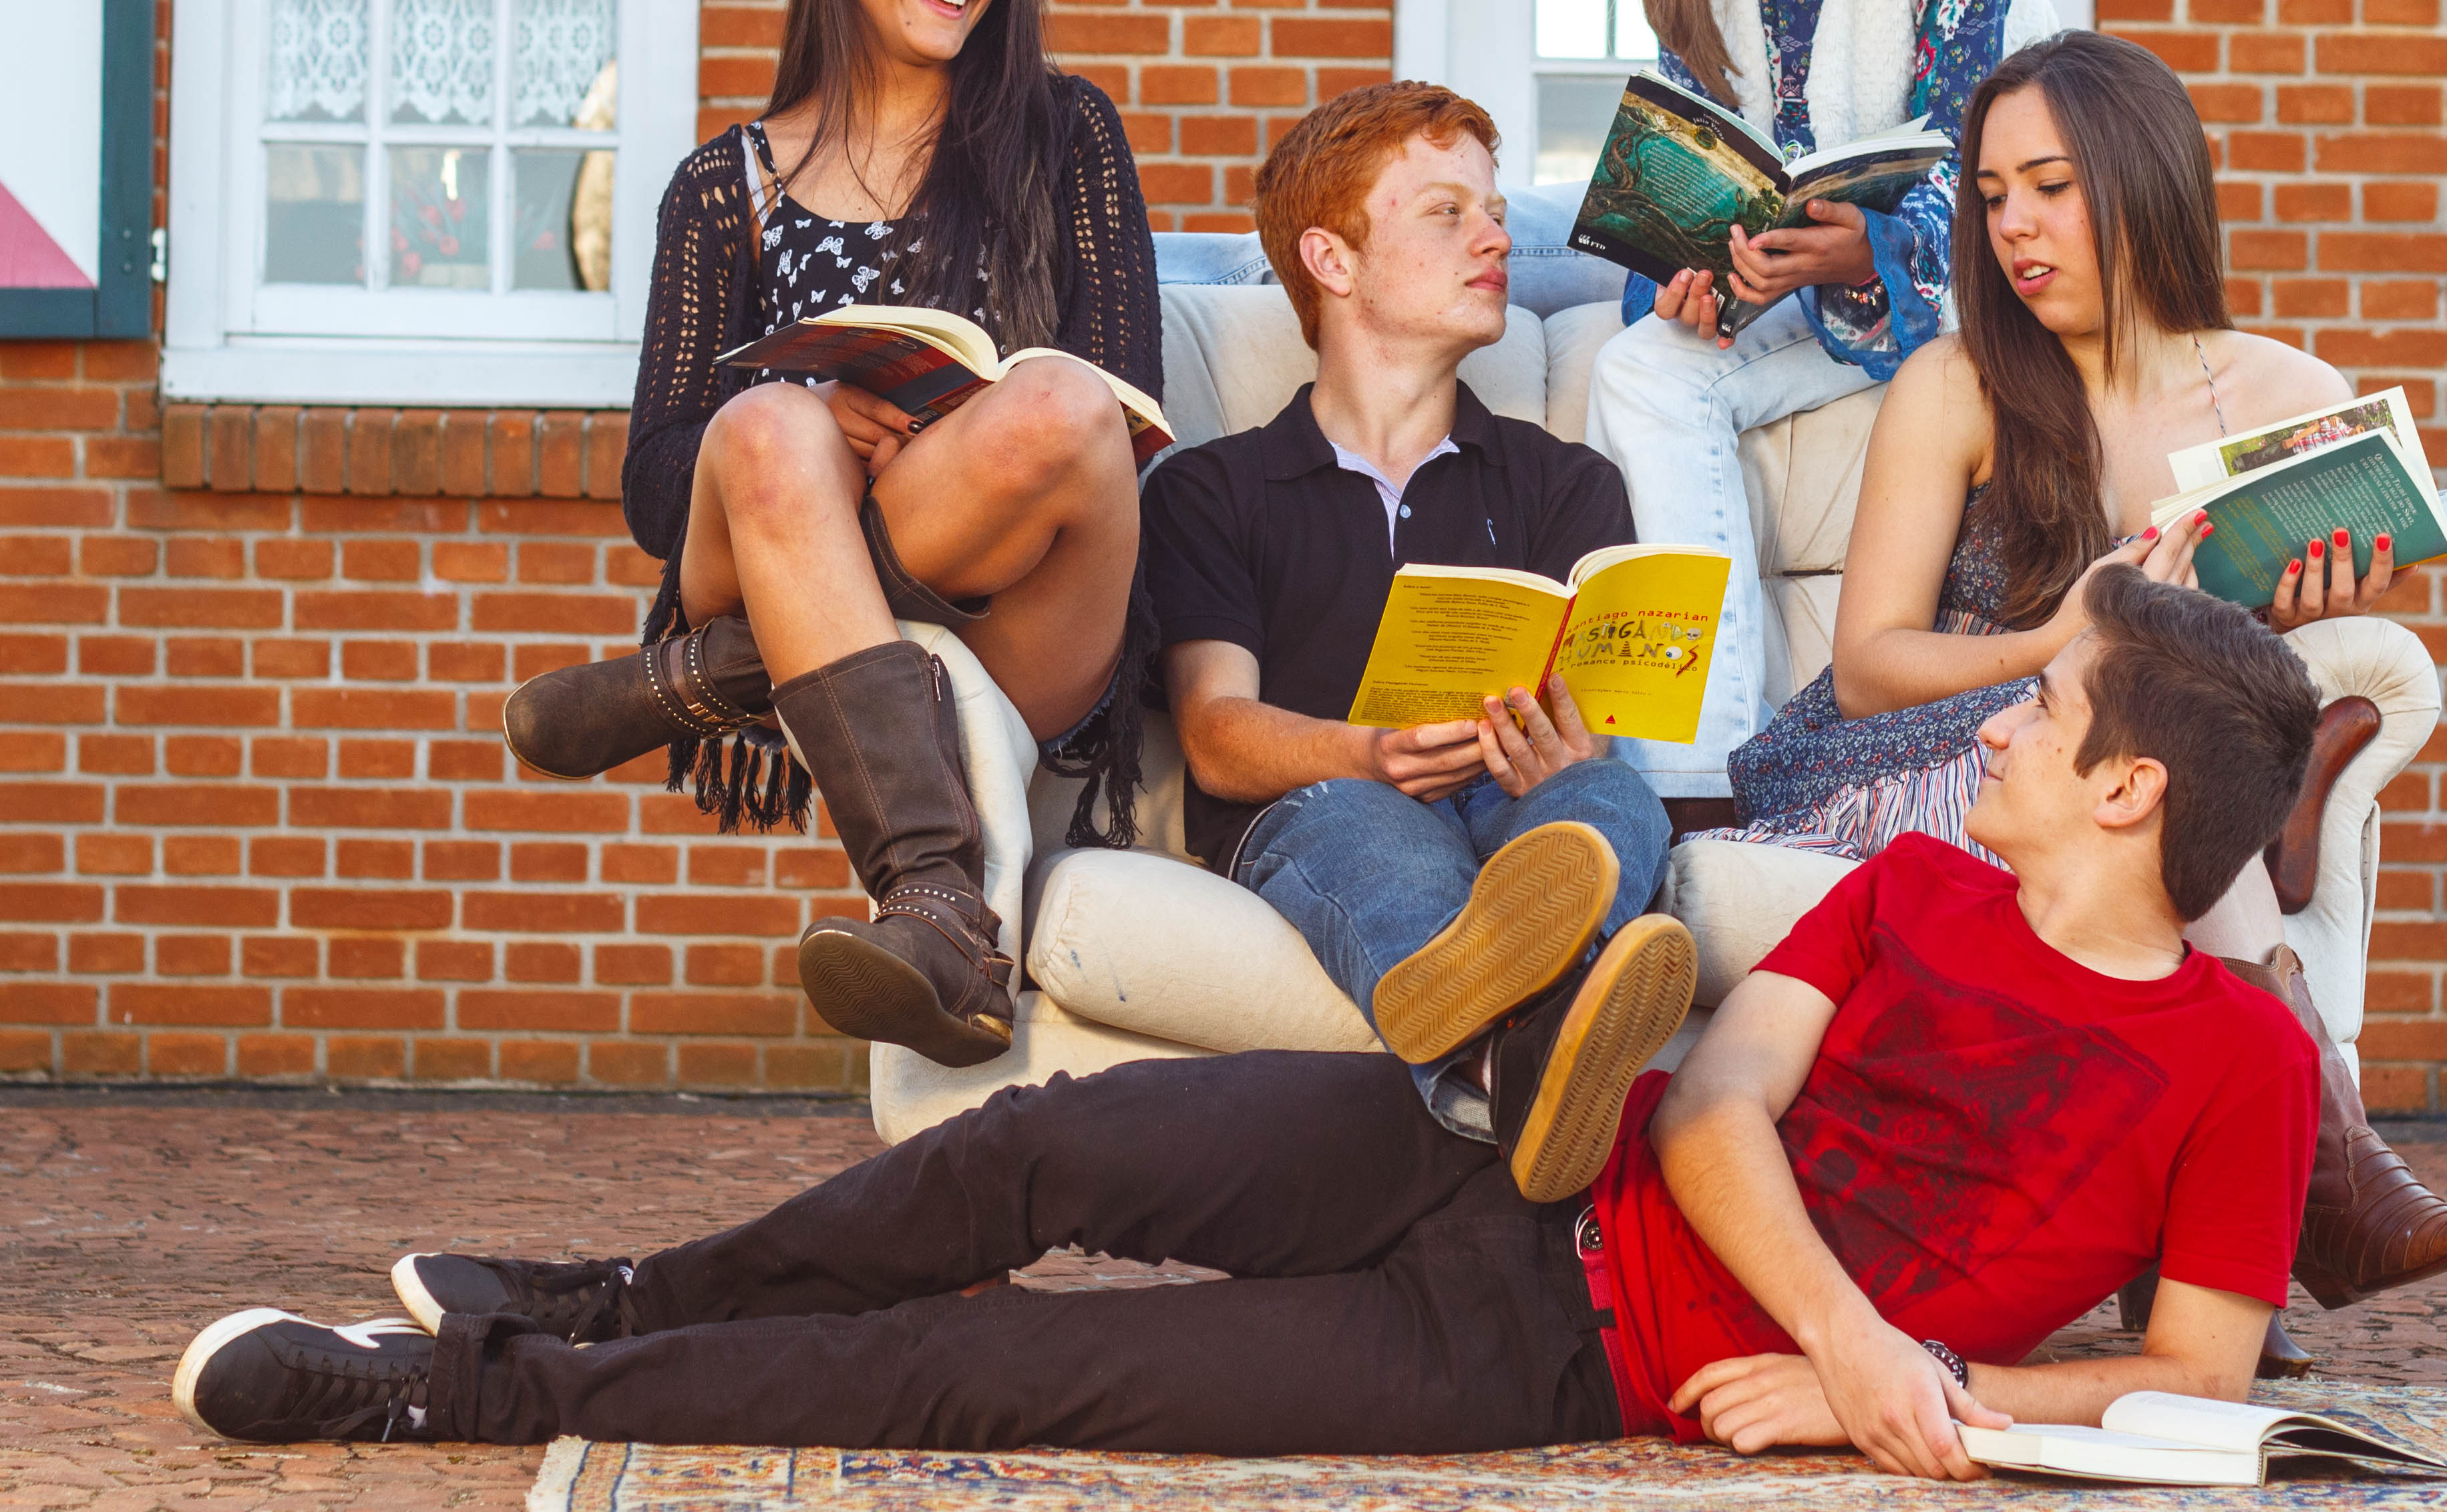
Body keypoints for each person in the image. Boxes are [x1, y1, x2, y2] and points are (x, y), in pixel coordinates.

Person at [176, 570, 2331, 1472]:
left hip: (1547, 1344)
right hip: (1516, 1156)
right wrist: (1862, 1338)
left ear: (2129, 786)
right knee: (1028, 1152)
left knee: (1005, 1367)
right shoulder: (1921, 883)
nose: (2007, 730)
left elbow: (2196, 1379)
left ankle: (456, 1389)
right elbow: (1722, 1105)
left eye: (2045, 709)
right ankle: (628, 1282)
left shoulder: (2238, 1056)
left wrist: (1931, 1394)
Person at [1728, 27, 2447, 1363]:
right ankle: (2319, 1191)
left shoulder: (2293, 394)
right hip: (1954, 737)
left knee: (2166, 747)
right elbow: (1869, 664)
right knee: (2152, 772)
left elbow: (2246, 656)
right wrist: (2063, 631)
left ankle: (2261, 1224)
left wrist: (2304, 616)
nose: (2018, 228)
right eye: (1992, 198)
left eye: (2052, 187)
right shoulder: (1960, 379)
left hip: (2139, 751)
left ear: (2141, 180)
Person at [494, 0, 1163, 1069]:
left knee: (1058, 403)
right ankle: (939, 909)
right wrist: (812, 404)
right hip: (782, 534)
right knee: (762, 433)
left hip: (1026, 603)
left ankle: (732, 672)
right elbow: (653, 489)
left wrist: (950, 429)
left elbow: (1123, 400)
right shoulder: (721, 189)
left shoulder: (1065, 136)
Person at [1143, 79, 1690, 1196]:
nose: (1494, 236)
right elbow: (1215, 734)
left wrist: (1571, 748)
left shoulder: (1567, 485)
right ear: (1332, 262)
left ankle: (1503, 1064)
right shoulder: (1213, 488)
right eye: (1446, 212)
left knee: (1613, 803)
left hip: (1516, 795)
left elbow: (1600, 714)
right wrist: (1370, 752)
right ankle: (1538, 1054)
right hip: (1323, 802)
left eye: (1492, 211)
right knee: (1370, 827)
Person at [1581, 0, 2062, 813]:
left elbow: (1986, 149)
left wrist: (1866, 252)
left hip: (1966, 277)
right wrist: (1696, 262)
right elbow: (1703, 129)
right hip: (1798, 274)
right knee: (1642, 367)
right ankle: (1696, 781)